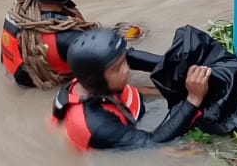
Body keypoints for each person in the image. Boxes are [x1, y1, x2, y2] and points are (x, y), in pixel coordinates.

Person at [0, 0, 163, 89]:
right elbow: (123, 56)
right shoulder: (66, 37)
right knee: (142, 89)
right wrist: (167, 63)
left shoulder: (18, 14)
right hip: (49, 83)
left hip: (16, 72)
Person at [50, 28, 212, 151]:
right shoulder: (99, 125)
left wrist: (178, 68)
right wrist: (193, 99)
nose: (127, 69)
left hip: (119, 108)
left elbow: (130, 57)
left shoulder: (91, 77)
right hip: (114, 140)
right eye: (117, 68)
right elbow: (152, 141)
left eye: (123, 62)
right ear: (96, 78)